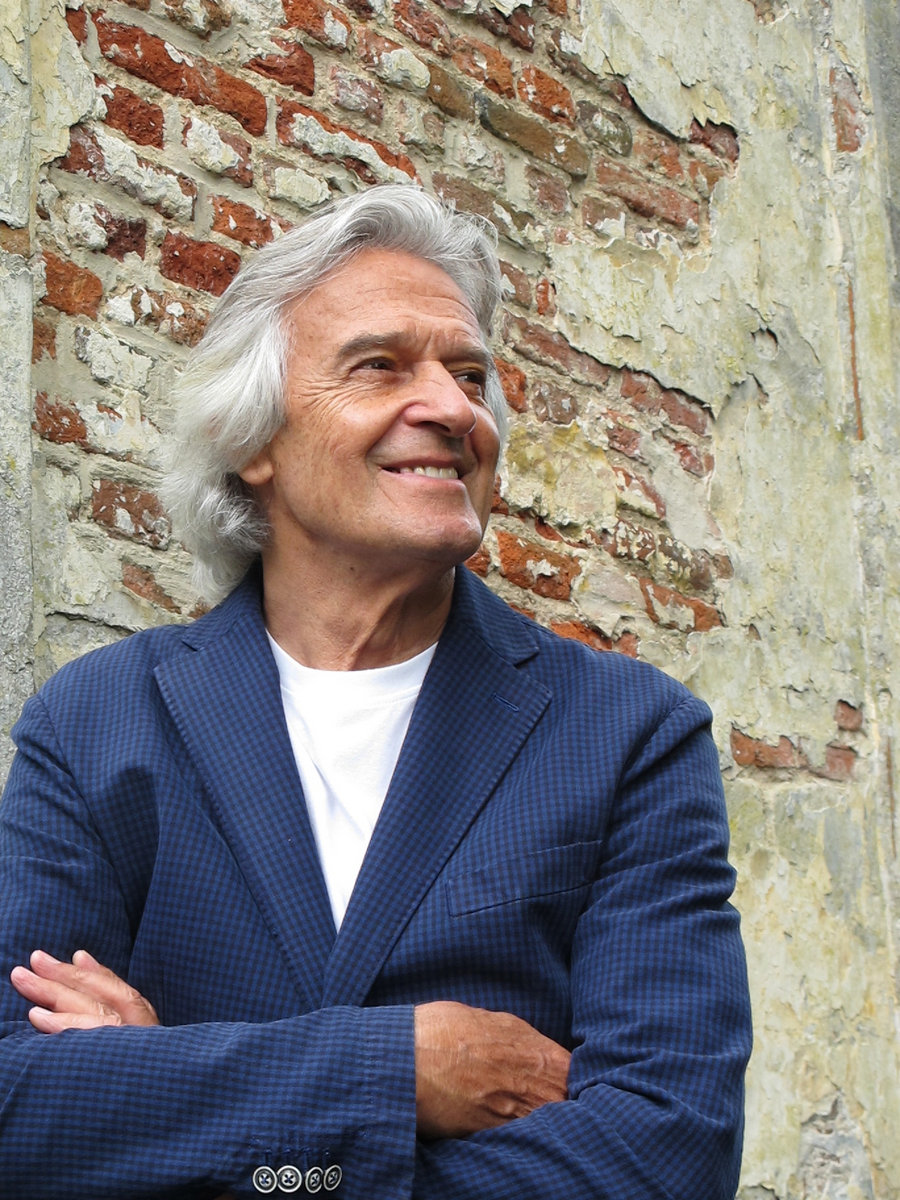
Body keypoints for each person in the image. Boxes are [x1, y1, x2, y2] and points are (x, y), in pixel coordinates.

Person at [0, 185, 751, 1199]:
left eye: (469, 374)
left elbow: (667, 1152)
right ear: (252, 441)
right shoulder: (97, 722)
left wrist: (171, 1086)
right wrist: (395, 1067)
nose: (454, 408)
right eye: (380, 366)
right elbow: (18, 1108)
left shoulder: (628, 735)